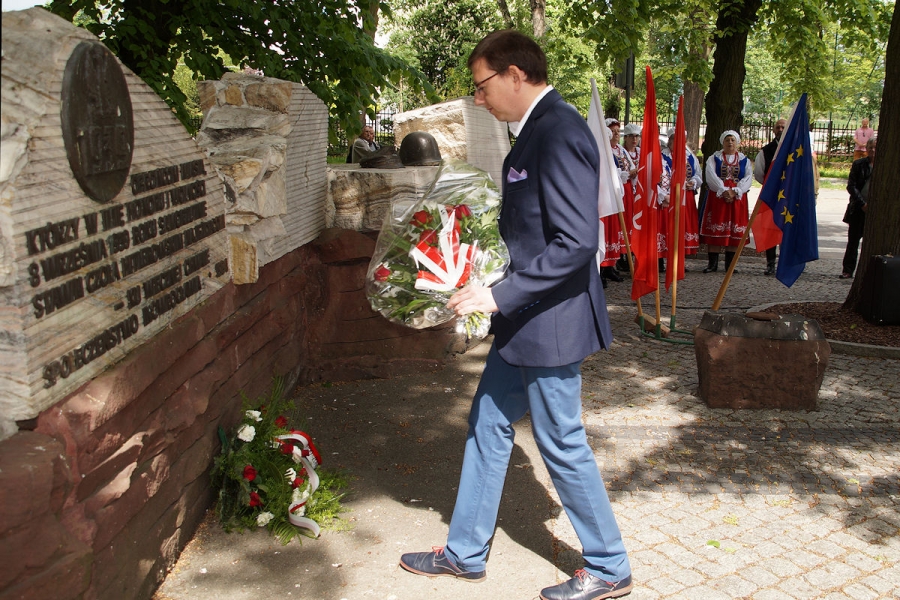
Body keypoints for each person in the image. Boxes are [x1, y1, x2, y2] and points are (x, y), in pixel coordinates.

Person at [399, 30, 633, 600]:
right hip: (525, 319)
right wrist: (482, 273)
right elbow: (529, 233)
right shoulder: (535, 130)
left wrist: (499, 296)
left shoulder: (559, 130)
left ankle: (609, 566)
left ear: (514, 74)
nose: (479, 99)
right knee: (487, 422)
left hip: (549, 322)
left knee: (560, 440)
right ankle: (465, 553)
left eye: (482, 86)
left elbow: (576, 243)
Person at [699, 130, 752, 273]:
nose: (730, 142)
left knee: (735, 229)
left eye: (733, 140)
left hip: (737, 199)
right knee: (716, 227)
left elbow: (748, 177)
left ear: (737, 142)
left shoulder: (744, 160)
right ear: (722, 142)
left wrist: (735, 191)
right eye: (727, 140)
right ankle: (712, 264)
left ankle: (730, 265)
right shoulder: (714, 158)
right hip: (718, 197)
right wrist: (723, 190)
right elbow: (710, 175)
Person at [659, 129, 701, 264]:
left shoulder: (690, 156)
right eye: (674, 139)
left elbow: (697, 174)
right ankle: (662, 260)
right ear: (669, 140)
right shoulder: (662, 156)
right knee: (668, 226)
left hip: (686, 196)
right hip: (670, 196)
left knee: (683, 225)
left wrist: (693, 182)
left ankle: (678, 262)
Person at [753, 118, 787, 275]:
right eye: (778, 127)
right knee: (770, 230)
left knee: (788, 230)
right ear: (774, 130)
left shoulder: (796, 149)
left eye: (783, 127)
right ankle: (771, 264)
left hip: (789, 197)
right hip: (772, 197)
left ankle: (786, 263)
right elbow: (759, 174)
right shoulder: (765, 151)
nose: (780, 129)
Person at [840, 137, 876, 279]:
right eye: (871, 147)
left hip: (876, 211)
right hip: (858, 208)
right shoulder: (859, 164)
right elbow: (851, 186)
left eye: (875, 147)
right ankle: (848, 270)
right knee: (853, 242)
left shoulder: (886, 165)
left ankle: (870, 271)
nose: (873, 150)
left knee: (872, 243)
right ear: (866, 149)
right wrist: (862, 204)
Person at [599, 118, 625, 284]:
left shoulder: (612, 156)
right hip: (601, 201)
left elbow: (616, 177)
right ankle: (600, 270)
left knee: (611, 235)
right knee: (602, 235)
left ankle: (609, 267)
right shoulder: (597, 154)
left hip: (611, 200)